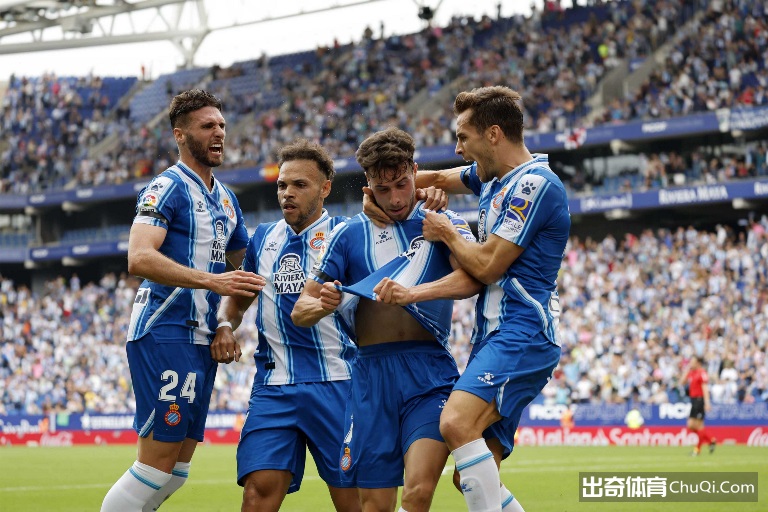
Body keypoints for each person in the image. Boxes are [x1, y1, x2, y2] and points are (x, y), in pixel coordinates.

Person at [372, 86, 570, 512]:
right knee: (471, 475)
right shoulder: (491, 177)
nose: (458, 148)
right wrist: (384, 192)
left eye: (463, 137)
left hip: (522, 331)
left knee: (456, 422)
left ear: (493, 134)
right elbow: (436, 179)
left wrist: (446, 230)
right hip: (495, 334)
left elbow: (488, 266)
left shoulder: (533, 184)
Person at [292, 127, 477, 512]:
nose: (395, 198)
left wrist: (413, 294)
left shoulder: (441, 221)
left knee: (418, 492)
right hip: (370, 377)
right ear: (368, 186)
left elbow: (473, 279)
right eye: (382, 188)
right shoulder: (347, 234)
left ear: (415, 172)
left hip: (428, 374)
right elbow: (301, 310)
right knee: (375, 505)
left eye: (402, 184)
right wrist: (325, 303)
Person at [101, 89, 265, 512]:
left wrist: (226, 324)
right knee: (155, 467)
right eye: (207, 126)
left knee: (176, 470)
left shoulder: (227, 199)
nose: (219, 133)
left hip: (202, 340)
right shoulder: (166, 187)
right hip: (165, 330)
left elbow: (243, 275)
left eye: (222, 125)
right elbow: (139, 257)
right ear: (180, 134)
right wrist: (211, 281)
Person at [212, 139, 361, 512]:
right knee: (257, 493)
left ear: (325, 188)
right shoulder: (263, 237)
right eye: (282, 185)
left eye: (299, 185)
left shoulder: (348, 235)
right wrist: (225, 325)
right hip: (274, 387)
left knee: (354, 502)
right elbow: (238, 299)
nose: (287, 193)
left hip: (338, 384)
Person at [684, 355, 716, 456]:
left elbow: (705, 388)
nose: (690, 363)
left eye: (692, 362)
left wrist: (707, 402)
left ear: (698, 363)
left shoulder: (702, 373)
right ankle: (710, 440)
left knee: (699, 425)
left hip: (699, 400)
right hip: (693, 400)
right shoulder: (691, 372)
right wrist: (686, 370)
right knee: (691, 425)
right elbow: (682, 382)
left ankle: (697, 450)